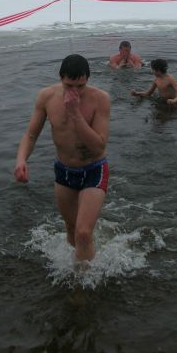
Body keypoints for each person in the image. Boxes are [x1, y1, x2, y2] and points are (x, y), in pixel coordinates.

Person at [13, 54, 111, 262]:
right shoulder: (46, 96)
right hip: (64, 170)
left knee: (83, 233)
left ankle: (82, 283)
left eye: (80, 86)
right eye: (69, 86)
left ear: (88, 79)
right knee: (71, 227)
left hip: (94, 169)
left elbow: (99, 144)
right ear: (60, 78)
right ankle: (76, 262)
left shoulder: (100, 99)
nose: (74, 92)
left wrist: (75, 113)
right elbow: (30, 135)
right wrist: (21, 160)